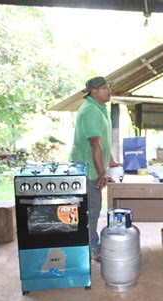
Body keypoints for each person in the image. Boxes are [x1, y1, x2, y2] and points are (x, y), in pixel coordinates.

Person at [70, 76, 121, 262]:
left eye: (108, 86)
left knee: (93, 208)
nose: (109, 90)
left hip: (94, 166)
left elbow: (104, 140)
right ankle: (92, 247)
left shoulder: (100, 108)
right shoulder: (91, 110)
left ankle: (91, 243)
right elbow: (95, 144)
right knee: (92, 209)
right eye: (105, 88)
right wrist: (102, 173)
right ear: (94, 91)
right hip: (87, 169)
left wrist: (112, 162)